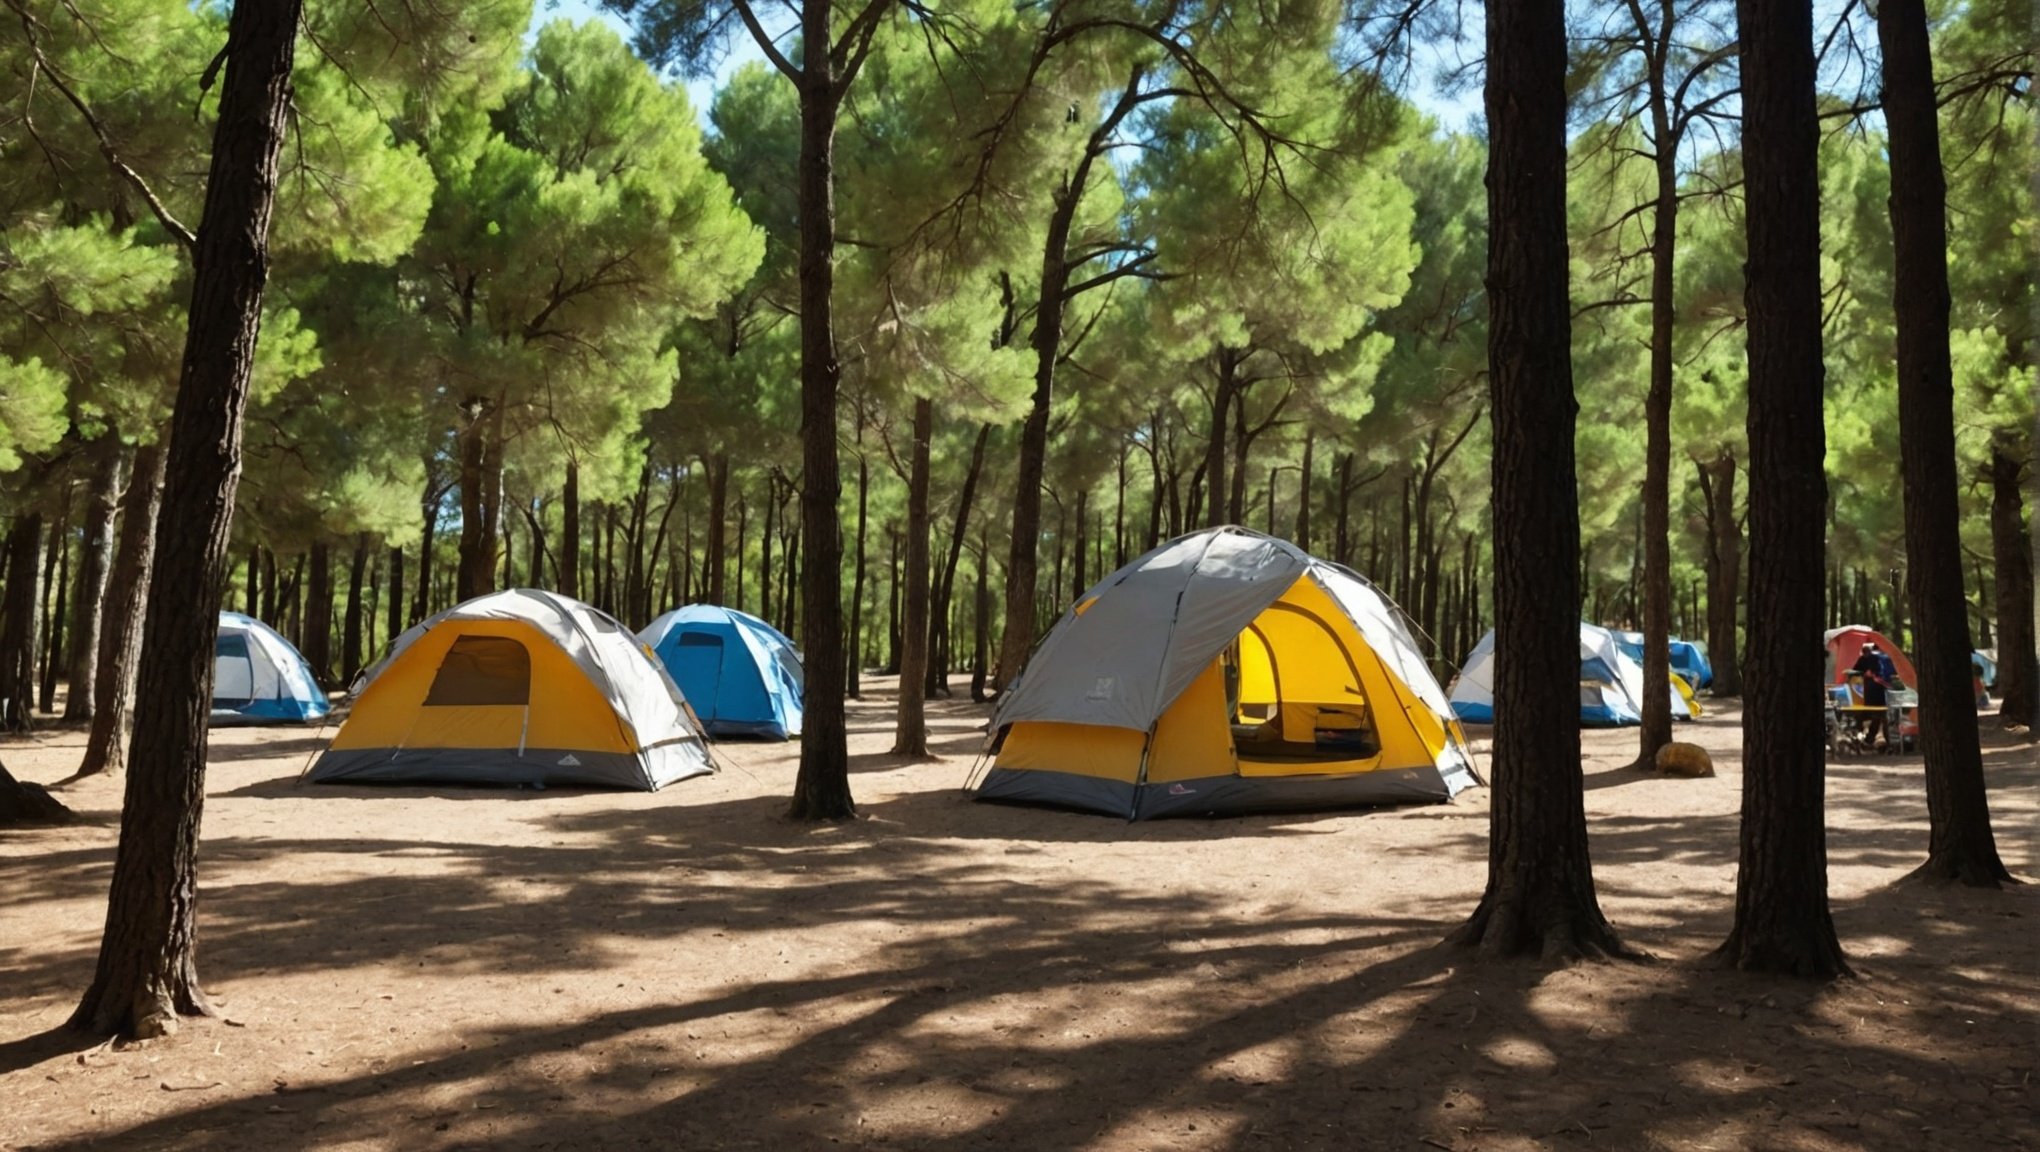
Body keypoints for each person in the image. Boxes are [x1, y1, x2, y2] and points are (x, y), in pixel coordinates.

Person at [1851, 641, 1890, 750]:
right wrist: (1863, 674)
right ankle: (1861, 737)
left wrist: (1873, 674)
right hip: (1864, 694)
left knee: (1877, 717)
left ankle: (1869, 738)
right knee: (1861, 717)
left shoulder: (1877, 659)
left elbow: (1880, 672)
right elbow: (1855, 670)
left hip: (1876, 694)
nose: (1865, 654)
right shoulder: (1862, 659)